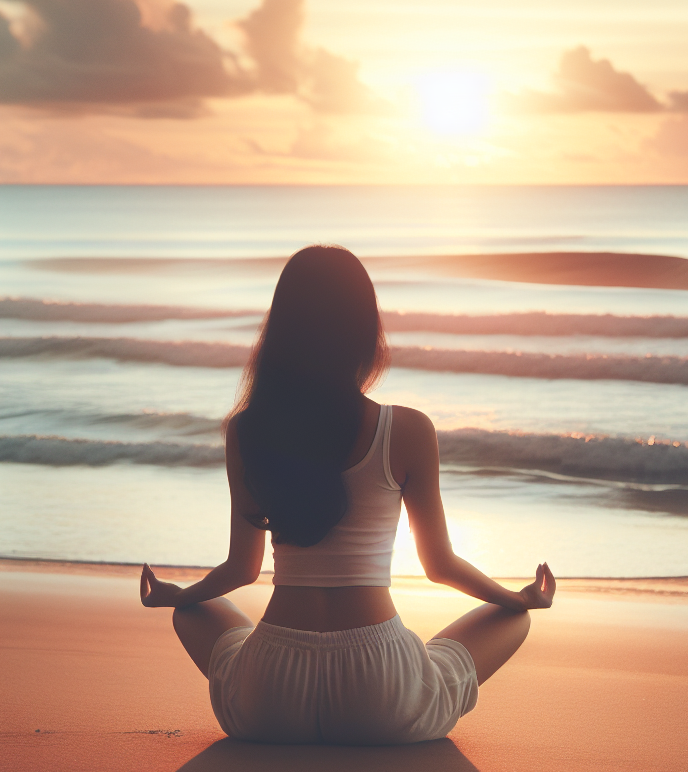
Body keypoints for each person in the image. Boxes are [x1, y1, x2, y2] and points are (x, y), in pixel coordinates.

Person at [140, 244, 555, 745]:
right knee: (511, 621)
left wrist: (178, 596)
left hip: (272, 692)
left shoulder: (249, 431)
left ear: (281, 331)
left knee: (195, 612)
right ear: (365, 332)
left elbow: (242, 570)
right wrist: (518, 598)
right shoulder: (406, 429)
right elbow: (439, 566)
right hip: (381, 690)